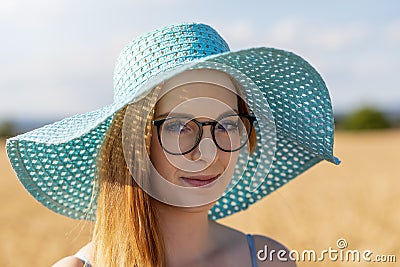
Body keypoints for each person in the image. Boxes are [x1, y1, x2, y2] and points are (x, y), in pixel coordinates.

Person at [6, 22, 340, 266]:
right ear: (132, 145)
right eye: (180, 125)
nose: (207, 151)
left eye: (226, 124)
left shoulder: (271, 261)